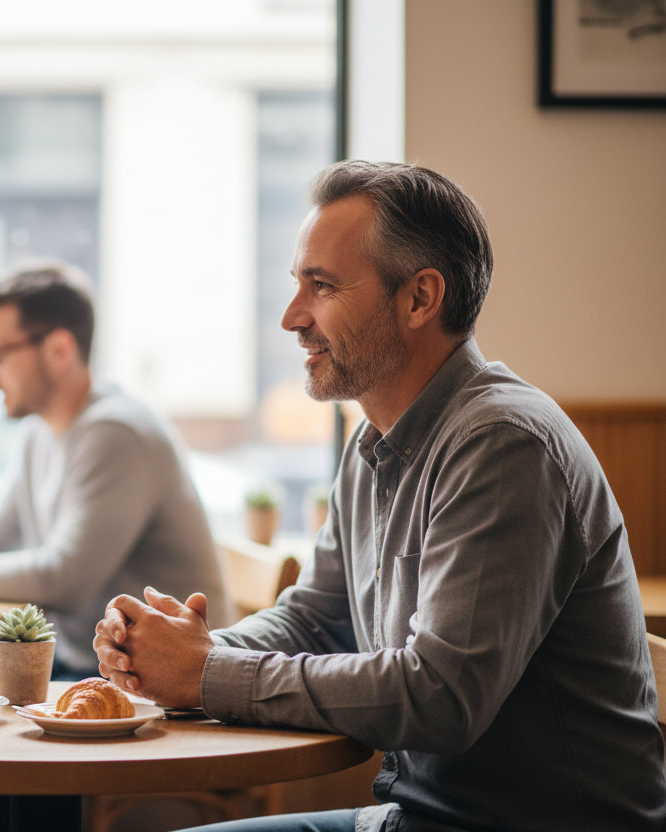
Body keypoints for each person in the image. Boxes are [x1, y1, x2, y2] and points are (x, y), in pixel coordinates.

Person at [94, 161, 666, 832]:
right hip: (415, 817)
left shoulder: (506, 444)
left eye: (322, 286)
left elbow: (442, 697)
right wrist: (181, 652)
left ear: (420, 299)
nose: (291, 317)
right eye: (297, 285)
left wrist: (204, 674)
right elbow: (317, 619)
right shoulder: (374, 442)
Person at [0, 261, 228, 677]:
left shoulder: (116, 434)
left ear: (59, 350)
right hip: (88, 667)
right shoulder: (39, 432)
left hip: (159, 686)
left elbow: (61, 580)